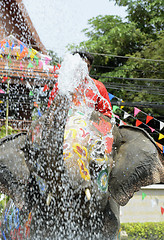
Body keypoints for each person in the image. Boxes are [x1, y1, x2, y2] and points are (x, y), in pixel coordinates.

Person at [48, 51, 112, 118]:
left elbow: (107, 113)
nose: (82, 69)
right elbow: (51, 111)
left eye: (86, 66)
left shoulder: (98, 87)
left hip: (89, 125)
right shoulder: (61, 85)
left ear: (90, 68)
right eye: (80, 66)